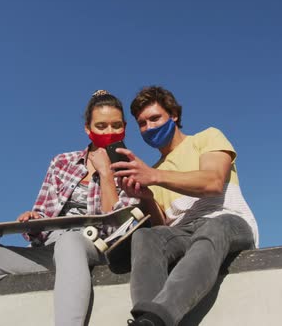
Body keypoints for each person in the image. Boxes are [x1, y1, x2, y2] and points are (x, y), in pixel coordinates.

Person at [0, 90, 139, 326]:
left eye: (116, 126)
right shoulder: (62, 162)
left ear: (125, 126)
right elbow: (42, 218)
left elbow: (118, 229)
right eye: (101, 125)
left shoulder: (132, 169)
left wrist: (106, 172)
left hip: (95, 247)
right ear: (88, 128)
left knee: (69, 242)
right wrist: (34, 220)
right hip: (50, 248)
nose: (109, 132)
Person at [111, 86, 259, 326]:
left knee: (213, 227)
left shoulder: (207, 137)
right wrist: (147, 197)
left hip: (227, 220)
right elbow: (163, 229)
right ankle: (145, 321)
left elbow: (212, 181)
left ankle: (158, 319)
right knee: (146, 237)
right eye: (142, 123)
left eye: (155, 118)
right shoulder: (153, 172)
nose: (149, 128)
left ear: (174, 115)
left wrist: (154, 176)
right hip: (183, 232)